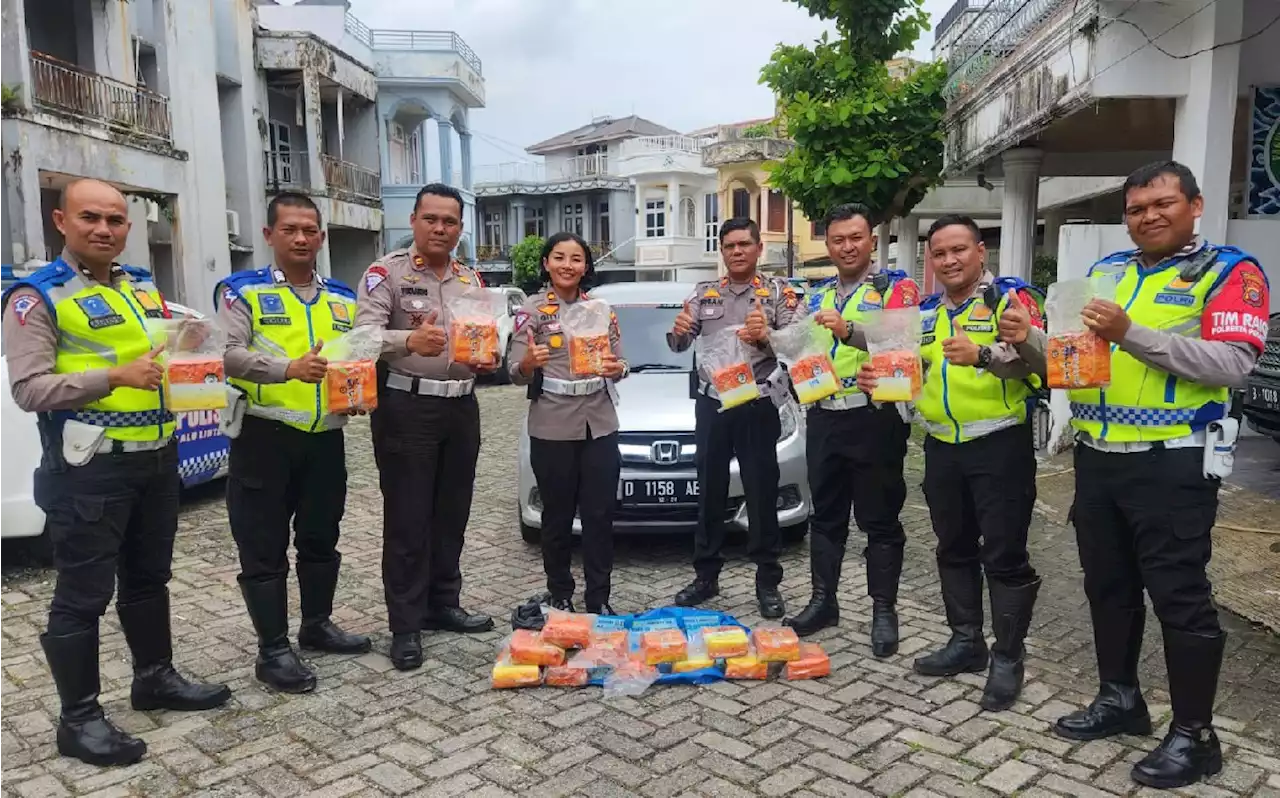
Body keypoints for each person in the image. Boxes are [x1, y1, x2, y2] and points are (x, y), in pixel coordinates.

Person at [1049, 162, 1269, 789]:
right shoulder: (1107, 273)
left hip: (1172, 461)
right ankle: (1121, 699)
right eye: (1137, 207)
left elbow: (1231, 364)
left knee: (1179, 597)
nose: (1148, 216)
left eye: (1163, 203)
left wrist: (1130, 333)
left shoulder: (1230, 271)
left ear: (1195, 205)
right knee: (1107, 587)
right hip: (1099, 458)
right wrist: (1023, 346)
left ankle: (1195, 736)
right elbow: (1075, 361)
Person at [0, 179, 230, 767]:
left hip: (155, 460)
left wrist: (188, 345)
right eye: (90, 218)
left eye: (115, 219)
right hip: (88, 470)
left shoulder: (141, 287)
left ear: (129, 226)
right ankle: (78, 720)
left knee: (149, 580)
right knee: (83, 596)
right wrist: (113, 379)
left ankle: (154, 678)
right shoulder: (37, 296)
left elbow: (158, 360)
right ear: (61, 221)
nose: (104, 229)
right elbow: (28, 389)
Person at [855, 214, 1044, 712]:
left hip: (999, 444)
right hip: (940, 445)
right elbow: (911, 373)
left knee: (1004, 555)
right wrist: (881, 383)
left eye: (959, 250)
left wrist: (984, 355)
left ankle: (1008, 658)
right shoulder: (928, 314)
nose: (949, 260)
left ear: (981, 251)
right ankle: (967, 642)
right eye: (939, 254)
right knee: (952, 547)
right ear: (930, 262)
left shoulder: (1010, 301)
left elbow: (1040, 366)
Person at [215, 193, 371, 695]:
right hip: (264, 437)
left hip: (325, 438)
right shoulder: (244, 292)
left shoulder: (343, 297)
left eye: (310, 230)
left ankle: (317, 625)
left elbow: (359, 353)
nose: (302, 238)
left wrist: (359, 390)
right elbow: (228, 355)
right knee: (263, 547)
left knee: (321, 538)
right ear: (269, 236)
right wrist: (288, 369)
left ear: (321, 237)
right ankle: (273, 650)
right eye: (290, 230)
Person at [356, 183, 495, 671]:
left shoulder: (471, 279)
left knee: (452, 512)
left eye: (450, 221)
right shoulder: (385, 274)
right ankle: (405, 625)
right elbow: (363, 337)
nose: (441, 229)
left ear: (460, 227)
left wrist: (488, 355)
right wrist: (408, 339)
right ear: (413, 220)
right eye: (431, 219)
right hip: (407, 407)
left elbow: (483, 337)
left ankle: (443, 603)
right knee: (409, 518)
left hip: (461, 406)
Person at [784, 203, 920, 657]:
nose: (847, 247)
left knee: (879, 518)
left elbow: (904, 346)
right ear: (829, 244)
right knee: (825, 516)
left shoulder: (896, 289)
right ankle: (824, 601)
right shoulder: (817, 295)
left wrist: (850, 330)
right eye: (838, 239)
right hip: (824, 416)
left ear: (872, 239)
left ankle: (884, 610)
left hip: (874, 417)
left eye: (856, 238)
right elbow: (802, 349)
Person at [667, 217, 801, 618]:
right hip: (712, 403)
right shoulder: (703, 293)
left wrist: (766, 337)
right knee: (709, 489)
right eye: (729, 245)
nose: (737, 251)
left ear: (759, 248)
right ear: (721, 252)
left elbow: (798, 345)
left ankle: (767, 581)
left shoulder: (779, 293)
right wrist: (677, 331)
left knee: (762, 492)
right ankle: (706, 576)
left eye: (744, 244)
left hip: (757, 404)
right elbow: (679, 344)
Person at [507, 233, 627, 614]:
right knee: (556, 516)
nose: (567, 265)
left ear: (586, 266)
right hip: (552, 422)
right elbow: (514, 370)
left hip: (599, 423)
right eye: (559, 257)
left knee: (599, 514)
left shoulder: (601, 310)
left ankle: (599, 598)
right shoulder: (531, 310)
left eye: (576, 259)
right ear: (546, 263)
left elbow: (621, 362)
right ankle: (560, 592)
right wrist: (529, 365)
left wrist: (618, 368)